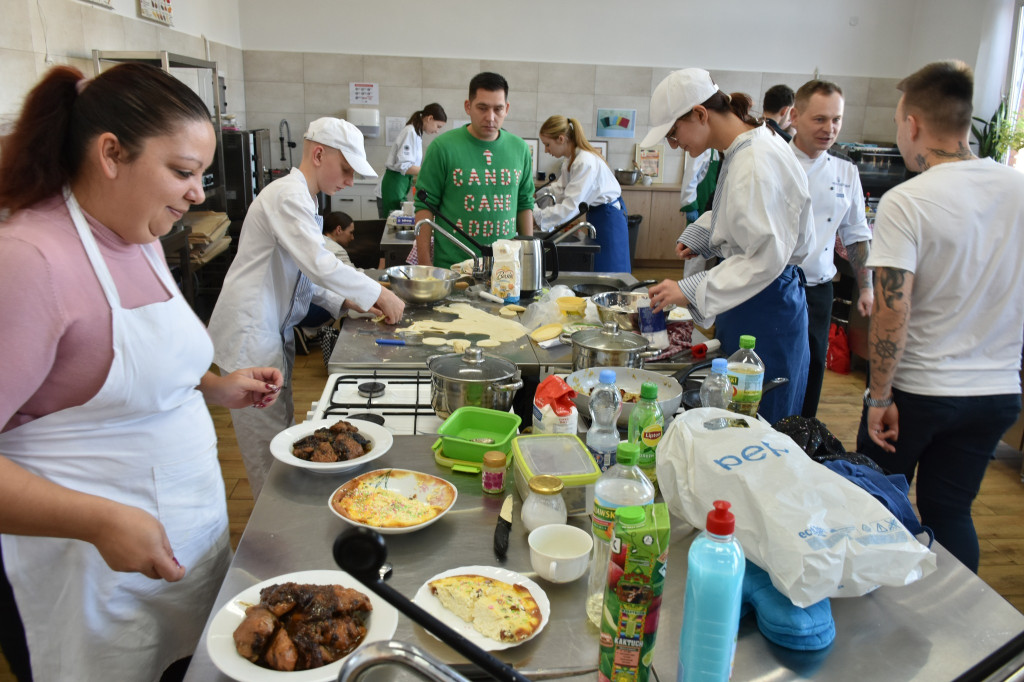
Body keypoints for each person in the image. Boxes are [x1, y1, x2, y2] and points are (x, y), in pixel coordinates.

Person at [0, 63, 284, 682]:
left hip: (183, 543)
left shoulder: (141, 236)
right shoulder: (30, 262)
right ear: (111, 154)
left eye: (201, 175)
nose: (199, 195)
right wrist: (97, 520)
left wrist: (213, 386)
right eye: (182, 172)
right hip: (87, 574)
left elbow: (123, 373)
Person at [857, 61, 1024, 573]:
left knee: (874, 504)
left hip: (917, 394)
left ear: (913, 125)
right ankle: (958, 632)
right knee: (951, 513)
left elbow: (892, 309)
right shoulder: (1017, 190)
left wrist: (879, 396)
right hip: (994, 394)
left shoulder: (908, 201)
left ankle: (877, 618)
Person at [207, 117, 405, 499]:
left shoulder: (303, 198)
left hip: (269, 331)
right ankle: (273, 536)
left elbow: (304, 276)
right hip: (251, 336)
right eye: (346, 170)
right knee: (268, 450)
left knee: (280, 433)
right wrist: (377, 294)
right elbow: (318, 263)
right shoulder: (288, 195)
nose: (349, 181)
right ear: (318, 154)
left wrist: (344, 300)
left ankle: (282, 520)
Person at [644, 69, 814, 424]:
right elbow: (742, 216)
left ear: (700, 114)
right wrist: (702, 235)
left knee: (759, 421)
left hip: (766, 304)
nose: (675, 145)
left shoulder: (756, 160)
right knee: (735, 410)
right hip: (750, 298)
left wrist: (688, 289)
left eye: (674, 133)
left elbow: (764, 256)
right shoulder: (743, 148)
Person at [790, 80, 873, 418]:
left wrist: (866, 286)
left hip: (817, 289)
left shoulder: (846, 172)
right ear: (795, 116)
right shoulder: (772, 160)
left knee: (812, 366)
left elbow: (855, 234)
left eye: (836, 120)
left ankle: (803, 433)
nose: (830, 129)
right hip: (768, 285)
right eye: (820, 119)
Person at [412, 72, 534, 269]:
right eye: (482, 108)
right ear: (468, 106)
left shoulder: (520, 149)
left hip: (506, 269)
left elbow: (525, 203)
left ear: (507, 109)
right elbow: (425, 207)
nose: (490, 117)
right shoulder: (443, 148)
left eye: (498, 109)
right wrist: (425, 267)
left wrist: (527, 260)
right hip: (454, 268)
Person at [533, 115, 629, 272]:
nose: (546, 150)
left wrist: (537, 217)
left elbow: (571, 206)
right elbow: (560, 189)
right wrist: (536, 196)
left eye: (547, 145)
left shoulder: (584, 161)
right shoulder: (571, 159)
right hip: (599, 215)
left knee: (611, 270)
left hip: (609, 219)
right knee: (600, 268)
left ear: (561, 139)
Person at [375, 103, 447, 218]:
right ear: (430, 118)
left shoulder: (417, 133)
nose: (437, 131)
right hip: (392, 185)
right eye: (438, 126)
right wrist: (430, 171)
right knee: (389, 227)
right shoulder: (410, 132)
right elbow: (404, 166)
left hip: (399, 186)